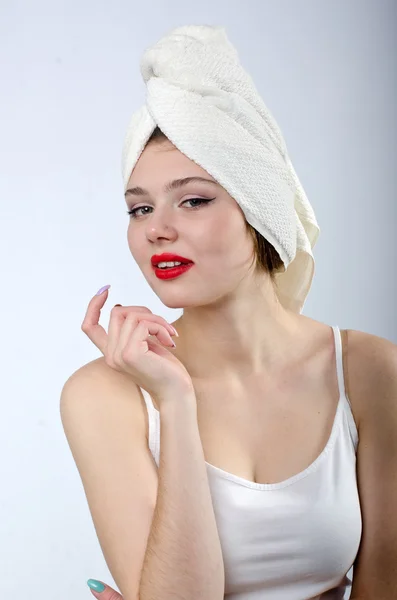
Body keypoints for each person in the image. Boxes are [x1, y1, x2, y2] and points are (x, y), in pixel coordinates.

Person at [61, 25, 397, 600]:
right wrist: (176, 400)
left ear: (259, 208)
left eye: (193, 199)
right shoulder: (105, 396)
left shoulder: (368, 372)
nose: (157, 229)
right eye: (139, 208)